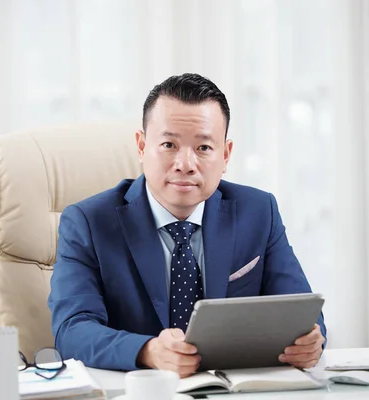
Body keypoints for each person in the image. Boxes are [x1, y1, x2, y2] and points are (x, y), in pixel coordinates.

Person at [48, 73, 326, 377]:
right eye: (169, 144)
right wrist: (148, 351)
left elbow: (302, 311)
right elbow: (72, 331)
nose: (185, 164)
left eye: (204, 148)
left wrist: (310, 341)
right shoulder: (87, 223)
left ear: (226, 154)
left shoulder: (259, 212)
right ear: (141, 147)